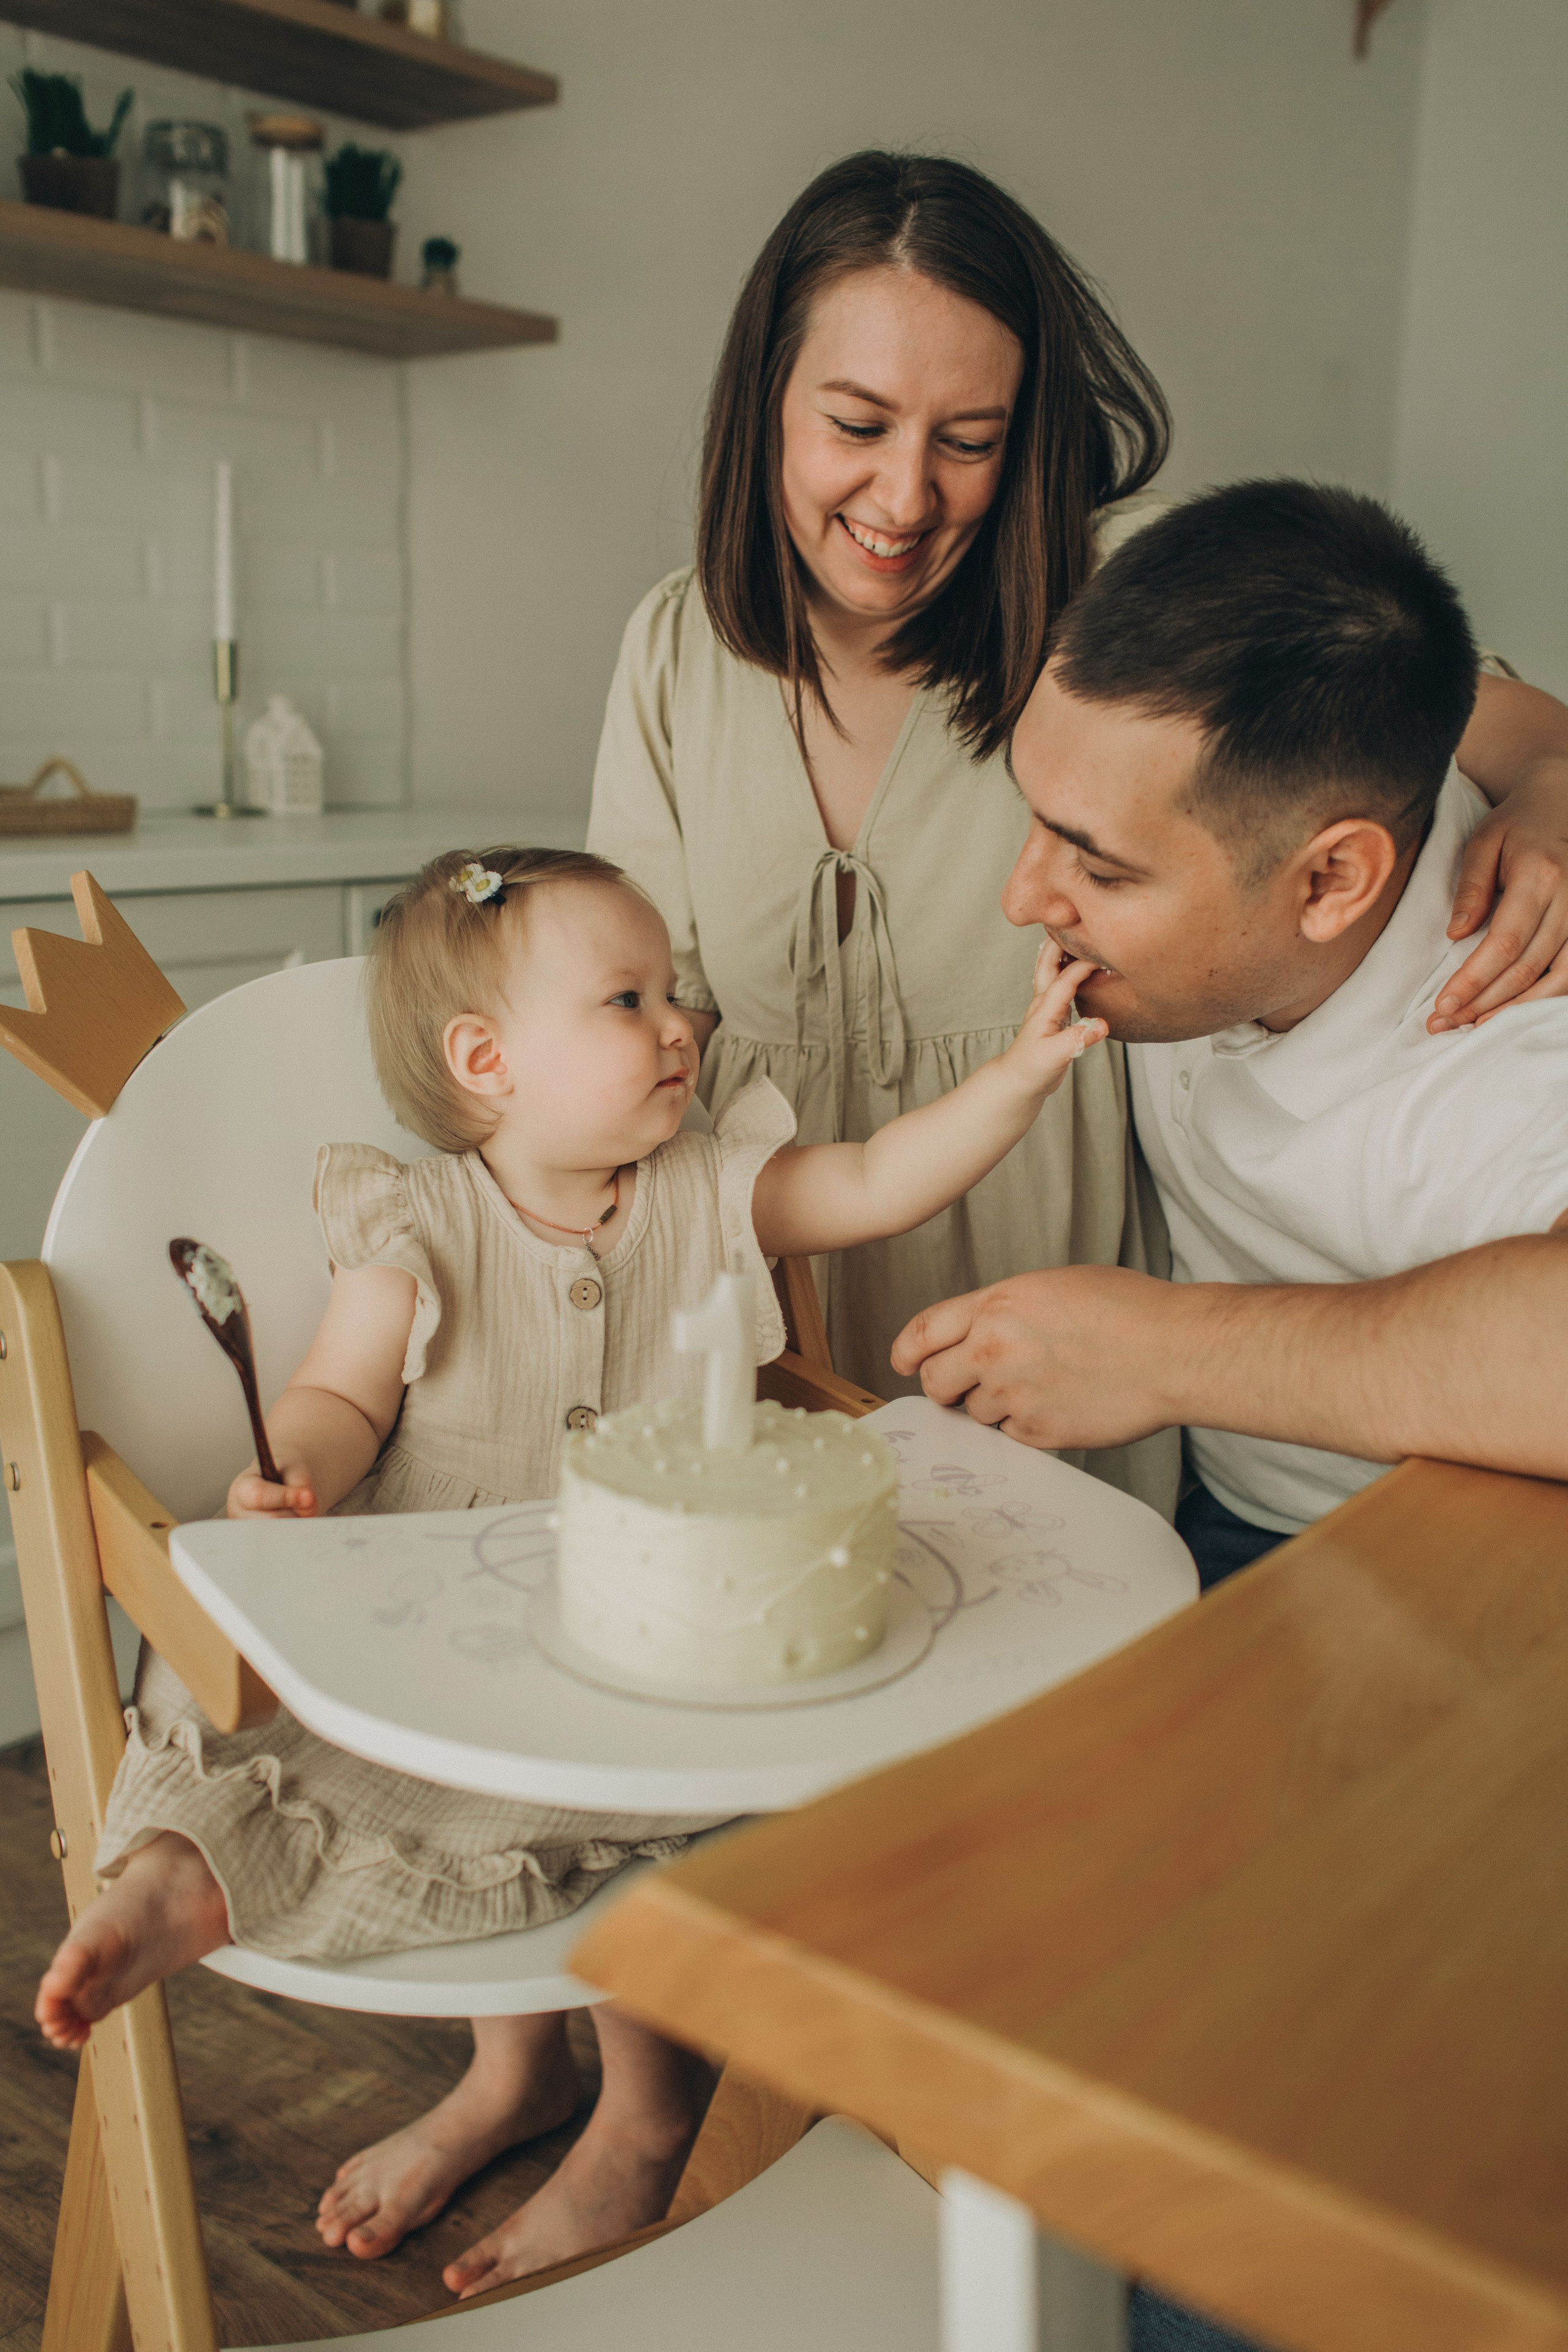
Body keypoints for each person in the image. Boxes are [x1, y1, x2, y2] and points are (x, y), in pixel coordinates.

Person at [36, 842, 1106, 2298]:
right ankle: (211, 1895)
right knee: (305, 1748)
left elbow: (869, 1183)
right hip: (450, 1603)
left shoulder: (707, 1186)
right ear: (486, 1060)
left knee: (626, 1795)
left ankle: (641, 2115)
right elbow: (344, 1395)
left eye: (673, 993)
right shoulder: (416, 1218)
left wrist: (1021, 1078)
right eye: (626, 999)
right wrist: (295, 1470)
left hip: (655, 1617)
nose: (679, 1024)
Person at [590, 148, 1568, 1520]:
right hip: (764, 1315)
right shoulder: (671, 647)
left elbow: (1422, 707)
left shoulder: (1116, 594)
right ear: (763, 407)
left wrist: (1558, 788)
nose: (904, 497)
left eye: (969, 442)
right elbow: (626, 1012)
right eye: (855, 424)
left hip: (1069, 1336)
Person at [894, 477, 1568, 2352]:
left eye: (1095, 865)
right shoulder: (1272, 715)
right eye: (1035, 825)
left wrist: (1167, 1349)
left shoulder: (1518, 1035)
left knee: (1268, 2219)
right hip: (1228, 1571)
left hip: (1497, 1641)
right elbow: (1452, 680)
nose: (1031, 898)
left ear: (1336, 879)